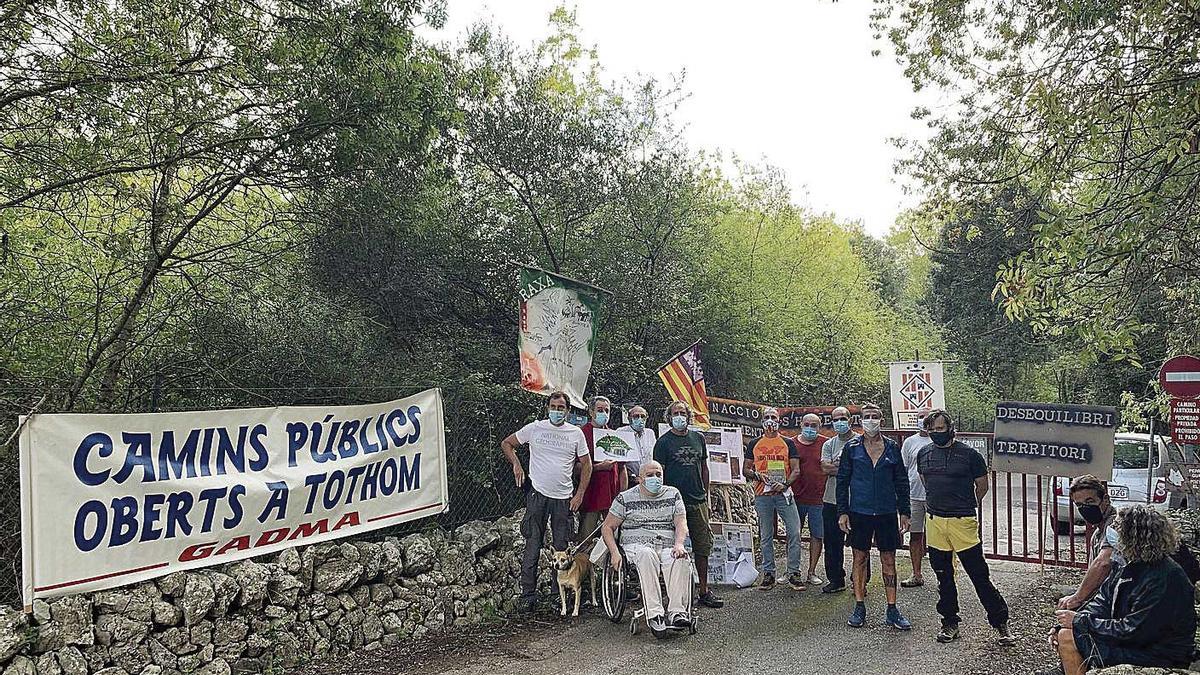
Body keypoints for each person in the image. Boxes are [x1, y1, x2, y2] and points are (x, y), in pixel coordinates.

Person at [1043, 505, 1196, 674]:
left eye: (1117, 527)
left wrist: (1079, 622)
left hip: (1159, 653)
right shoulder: (1129, 564)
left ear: (1133, 537)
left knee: (1067, 639)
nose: (1112, 531)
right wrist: (1069, 623)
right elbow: (1102, 602)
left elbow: (1134, 631)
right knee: (1064, 633)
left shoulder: (1165, 577)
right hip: (1137, 643)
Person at [916, 409, 1013, 644]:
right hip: (936, 521)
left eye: (940, 428)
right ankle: (949, 623)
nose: (935, 433)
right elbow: (924, 480)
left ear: (950, 428)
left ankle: (1001, 623)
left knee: (979, 575)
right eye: (931, 429)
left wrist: (966, 505)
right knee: (943, 576)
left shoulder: (970, 455)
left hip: (963, 522)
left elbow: (982, 486)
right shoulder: (924, 453)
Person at [500, 391, 593, 613]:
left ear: (568, 411)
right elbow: (507, 443)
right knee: (533, 544)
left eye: (561, 408)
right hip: (537, 494)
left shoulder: (575, 433)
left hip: (563, 498)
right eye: (554, 406)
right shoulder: (535, 428)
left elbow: (587, 465)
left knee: (561, 547)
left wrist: (579, 494)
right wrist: (516, 464)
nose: (557, 411)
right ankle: (528, 595)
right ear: (547, 407)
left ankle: (556, 595)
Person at [836, 403, 911, 630]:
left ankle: (892, 608)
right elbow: (842, 481)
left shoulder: (891, 447)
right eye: (867, 416)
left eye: (875, 417)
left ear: (882, 420)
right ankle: (859, 606)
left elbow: (901, 481)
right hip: (860, 511)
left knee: (888, 559)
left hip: (887, 512)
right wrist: (842, 512)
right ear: (860, 420)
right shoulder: (852, 447)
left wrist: (905, 512)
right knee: (859, 558)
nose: (871, 420)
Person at [602, 461, 691, 635]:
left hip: (666, 544)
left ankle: (677, 612)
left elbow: (681, 523)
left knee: (679, 557)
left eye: (658, 475)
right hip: (637, 545)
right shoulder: (625, 498)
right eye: (650, 475)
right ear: (640, 479)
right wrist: (614, 552)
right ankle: (655, 614)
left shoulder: (673, 494)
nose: (655, 478)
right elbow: (607, 527)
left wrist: (679, 543)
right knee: (646, 554)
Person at [653, 400, 724, 608]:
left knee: (702, 546)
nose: (679, 416)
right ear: (669, 417)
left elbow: (704, 467)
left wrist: (706, 494)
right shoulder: (663, 443)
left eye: (682, 412)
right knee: (672, 548)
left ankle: (703, 590)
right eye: (675, 413)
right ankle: (674, 594)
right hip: (673, 502)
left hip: (697, 500)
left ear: (688, 416)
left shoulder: (698, 438)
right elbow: (659, 473)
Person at [743, 407, 805, 590]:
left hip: (783, 493)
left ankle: (794, 572)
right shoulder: (754, 443)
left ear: (779, 421)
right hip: (763, 494)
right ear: (762, 421)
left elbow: (796, 469)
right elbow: (745, 469)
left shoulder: (788, 443)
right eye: (767, 417)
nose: (770, 420)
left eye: (774, 417)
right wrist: (756, 475)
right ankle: (768, 573)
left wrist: (785, 484)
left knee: (794, 531)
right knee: (766, 535)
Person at [1057, 474, 1122, 610]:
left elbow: (1103, 563)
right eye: (1079, 505)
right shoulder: (1098, 532)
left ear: (1105, 499)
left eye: (1090, 502)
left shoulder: (1115, 525)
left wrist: (1078, 598)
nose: (1085, 508)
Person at [578, 396, 627, 542]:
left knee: (614, 537)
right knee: (586, 537)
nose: (604, 414)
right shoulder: (582, 433)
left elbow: (622, 468)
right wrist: (599, 467)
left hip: (612, 496)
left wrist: (623, 495)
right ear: (591, 412)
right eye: (600, 410)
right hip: (591, 495)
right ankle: (583, 564)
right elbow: (576, 467)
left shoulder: (615, 435)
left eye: (607, 410)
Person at [821, 406, 858, 593]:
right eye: (836, 419)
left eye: (843, 418)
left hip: (856, 500)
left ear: (850, 420)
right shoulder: (829, 444)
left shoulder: (860, 442)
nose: (839, 422)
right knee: (832, 542)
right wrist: (847, 468)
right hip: (831, 499)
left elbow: (861, 469)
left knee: (859, 543)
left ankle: (860, 580)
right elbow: (825, 469)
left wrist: (838, 467)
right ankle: (836, 579)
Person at [792, 412, 828, 587]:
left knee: (817, 535)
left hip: (819, 499)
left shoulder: (825, 443)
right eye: (807, 424)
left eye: (814, 425)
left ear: (819, 427)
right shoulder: (791, 443)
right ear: (800, 424)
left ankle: (812, 572)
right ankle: (792, 570)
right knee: (794, 535)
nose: (810, 428)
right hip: (795, 497)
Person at [900, 410, 930, 588]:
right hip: (914, 495)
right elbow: (903, 470)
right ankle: (916, 574)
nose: (923, 420)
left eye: (927, 417)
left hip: (936, 497)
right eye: (920, 416)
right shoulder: (909, 442)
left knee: (940, 540)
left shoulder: (939, 440)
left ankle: (945, 576)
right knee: (915, 536)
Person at [616, 405, 656, 485]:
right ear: (629, 418)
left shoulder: (650, 433)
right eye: (636, 416)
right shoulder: (621, 432)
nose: (640, 419)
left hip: (648, 480)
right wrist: (632, 476)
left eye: (643, 416)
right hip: (629, 480)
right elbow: (618, 461)